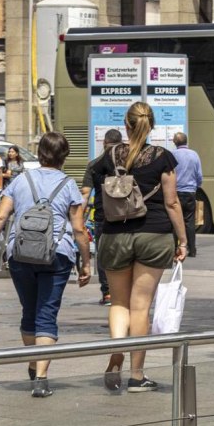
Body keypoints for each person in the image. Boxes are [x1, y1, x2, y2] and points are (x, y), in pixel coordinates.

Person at [0, 132, 90, 399]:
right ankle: (41, 377)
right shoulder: (69, 185)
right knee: (46, 314)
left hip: (20, 254)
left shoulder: (20, 180)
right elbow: (79, 229)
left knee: (29, 311)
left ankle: (32, 361)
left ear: (40, 154)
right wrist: (86, 263)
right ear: (65, 156)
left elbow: (0, 216)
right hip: (57, 255)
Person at [89, 101, 188, 393]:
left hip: (115, 234)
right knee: (141, 306)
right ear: (152, 125)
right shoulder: (163, 158)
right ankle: (136, 375)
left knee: (119, 303)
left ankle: (117, 350)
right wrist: (182, 240)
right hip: (154, 235)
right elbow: (172, 202)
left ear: (126, 124)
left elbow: (97, 189)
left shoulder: (109, 155)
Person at [81, 129, 124, 305]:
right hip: (126, 215)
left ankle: (107, 293)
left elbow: (85, 194)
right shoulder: (129, 163)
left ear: (104, 143)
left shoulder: (94, 164)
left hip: (102, 215)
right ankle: (123, 290)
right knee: (124, 253)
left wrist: (78, 218)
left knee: (103, 254)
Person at [171, 132, 203, 258]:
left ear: (175, 142)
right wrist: (196, 186)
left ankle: (174, 249)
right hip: (190, 192)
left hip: (176, 192)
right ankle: (192, 249)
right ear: (186, 141)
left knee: (175, 221)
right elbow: (199, 174)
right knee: (189, 221)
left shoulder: (172, 155)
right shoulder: (194, 155)